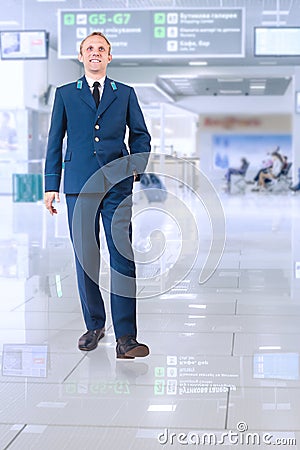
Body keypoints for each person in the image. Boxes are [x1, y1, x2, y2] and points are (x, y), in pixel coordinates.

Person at [44, 32, 151, 359]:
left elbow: (142, 135)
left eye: (100, 49)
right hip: (78, 185)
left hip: (117, 185)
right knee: (86, 259)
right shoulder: (64, 95)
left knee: (122, 255)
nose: (95, 53)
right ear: (81, 56)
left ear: (109, 56)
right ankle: (94, 325)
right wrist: (51, 185)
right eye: (89, 48)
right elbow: (54, 141)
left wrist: (136, 164)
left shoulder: (125, 94)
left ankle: (126, 338)